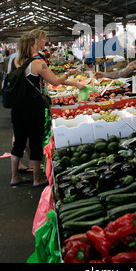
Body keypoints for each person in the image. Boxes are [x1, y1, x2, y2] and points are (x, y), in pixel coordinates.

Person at [10, 33, 86, 187]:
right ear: (32, 45)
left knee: (19, 141)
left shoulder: (15, 61)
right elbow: (56, 82)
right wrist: (70, 73)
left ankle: (14, 177)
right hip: (33, 107)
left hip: (17, 107)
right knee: (35, 141)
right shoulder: (37, 63)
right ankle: (37, 179)